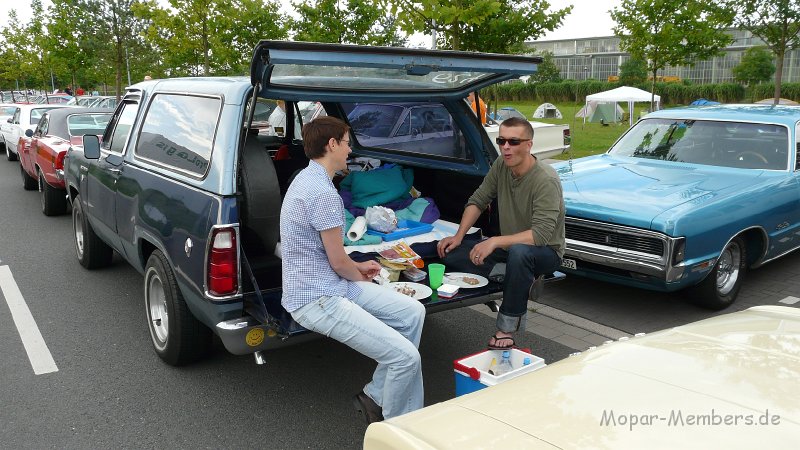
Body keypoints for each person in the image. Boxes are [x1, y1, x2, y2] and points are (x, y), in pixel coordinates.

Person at [280, 116, 426, 424]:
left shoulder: (306, 178)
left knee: (413, 313)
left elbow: (334, 260)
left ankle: (376, 396)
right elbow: (338, 262)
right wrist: (358, 271)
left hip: (330, 283)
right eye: (347, 143)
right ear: (331, 144)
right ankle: (401, 429)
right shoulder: (323, 194)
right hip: (316, 298)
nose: (350, 151)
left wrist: (356, 268)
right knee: (405, 357)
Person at [437, 116, 565, 350]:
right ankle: (518, 277)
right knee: (451, 255)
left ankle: (507, 327)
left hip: (545, 252)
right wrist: (458, 237)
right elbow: (478, 199)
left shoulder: (545, 179)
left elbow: (541, 235)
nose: (506, 147)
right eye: (501, 140)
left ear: (529, 145)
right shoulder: (501, 165)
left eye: (513, 141)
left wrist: (494, 241)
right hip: (509, 249)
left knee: (520, 254)